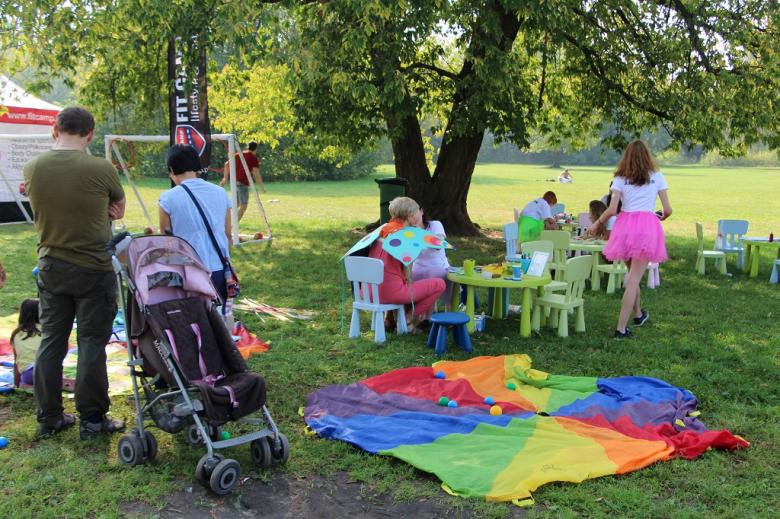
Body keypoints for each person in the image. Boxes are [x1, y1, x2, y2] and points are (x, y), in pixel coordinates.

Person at [24, 106, 126, 439]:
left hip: (51, 266)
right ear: (91, 134)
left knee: (52, 341)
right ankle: (93, 420)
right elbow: (118, 209)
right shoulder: (101, 168)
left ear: (56, 129)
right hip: (93, 268)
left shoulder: (33, 168)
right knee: (92, 342)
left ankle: (49, 416)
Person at [591, 140, 672, 339]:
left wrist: (596, 224)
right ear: (647, 156)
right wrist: (660, 216)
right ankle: (620, 329)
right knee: (634, 279)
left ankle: (638, 314)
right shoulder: (657, 176)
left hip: (624, 226)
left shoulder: (619, 178)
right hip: (646, 226)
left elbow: (612, 209)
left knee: (631, 275)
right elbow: (668, 210)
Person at [160, 144, 233, 307]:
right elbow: (228, 233)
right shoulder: (221, 193)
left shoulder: (167, 198)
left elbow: (166, 239)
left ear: (171, 170)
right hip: (219, 268)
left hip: (186, 270)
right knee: (219, 319)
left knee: (191, 321)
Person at [368, 197, 445, 332]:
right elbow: (407, 275)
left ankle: (394, 319)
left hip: (368, 291)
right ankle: (408, 321)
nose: (419, 214)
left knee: (409, 287)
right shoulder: (406, 236)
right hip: (389, 293)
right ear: (410, 216)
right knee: (439, 284)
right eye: (417, 211)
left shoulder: (381, 230)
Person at [412, 207, 452, 310]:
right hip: (418, 268)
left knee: (436, 274)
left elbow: (438, 245)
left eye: (414, 212)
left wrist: (420, 233)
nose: (413, 217)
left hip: (438, 266)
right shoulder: (408, 232)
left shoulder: (435, 225)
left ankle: (450, 313)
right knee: (407, 279)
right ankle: (426, 315)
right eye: (409, 215)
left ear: (421, 211)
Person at [220, 141, 265, 221]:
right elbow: (256, 173)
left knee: (235, 204)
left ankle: (224, 222)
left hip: (234, 183)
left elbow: (227, 164)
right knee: (243, 206)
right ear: (255, 149)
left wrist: (225, 178)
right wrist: (261, 187)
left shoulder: (239, 154)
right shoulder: (253, 157)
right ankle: (233, 226)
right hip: (242, 183)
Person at [10, 299, 41, 388]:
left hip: (28, 376)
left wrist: (16, 384)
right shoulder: (48, 331)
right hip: (48, 373)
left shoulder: (16, 334)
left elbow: (16, 362)